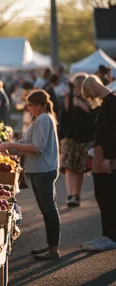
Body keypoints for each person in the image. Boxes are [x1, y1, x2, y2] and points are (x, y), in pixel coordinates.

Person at [0, 90, 60, 260]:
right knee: (46, 209)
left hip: (44, 169)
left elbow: (36, 148)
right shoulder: (40, 119)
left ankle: (53, 248)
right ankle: (50, 245)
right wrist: (10, 148)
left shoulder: (44, 119)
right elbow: (27, 143)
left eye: (30, 104)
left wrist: (11, 145)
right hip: (40, 169)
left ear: (39, 105)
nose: (28, 107)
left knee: (49, 209)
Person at [81, 75, 116, 251]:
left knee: (106, 196)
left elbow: (110, 134)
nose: (89, 99)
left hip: (107, 157)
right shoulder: (108, 102)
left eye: (88, 95)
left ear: (92, 88)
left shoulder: (111, 103)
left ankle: (110, 236)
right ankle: (107, 234)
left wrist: (109, 158)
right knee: (103, 196)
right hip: (103, 155)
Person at [60, 73, 97, 207]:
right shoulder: (69, 97)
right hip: (70, 137)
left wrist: (81, 105)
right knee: (69, 167)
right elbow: (64, 116)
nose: (76, 89)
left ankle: (76, 194)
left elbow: (93, 117)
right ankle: (70, 195)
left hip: (85, 138)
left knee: (80, 168)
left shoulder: (90, 99)